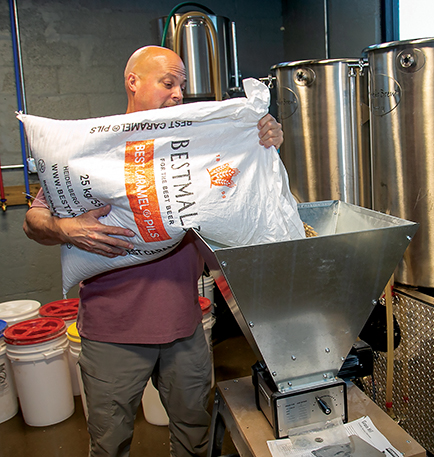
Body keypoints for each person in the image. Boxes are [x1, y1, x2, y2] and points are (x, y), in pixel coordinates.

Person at [23, 45, 283, 457]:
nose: (178, 93)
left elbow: (238, 188)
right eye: (168, 82)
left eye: (182, 85)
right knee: (109, 443)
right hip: (112, 334)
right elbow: (33, 221)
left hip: (184, 327)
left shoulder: (194, 144)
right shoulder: (98, 148)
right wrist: (66, 228)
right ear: (133, 82)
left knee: (195, 435)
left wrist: (262, 140)